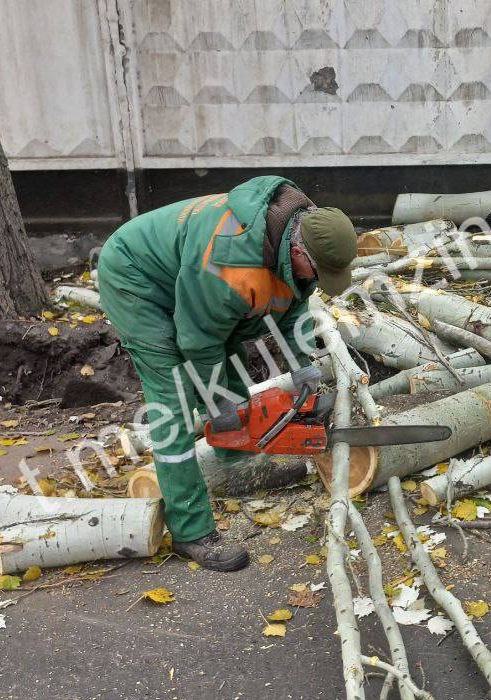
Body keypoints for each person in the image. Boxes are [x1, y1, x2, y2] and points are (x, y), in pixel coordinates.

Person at [97, 177, 357, 571]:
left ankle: (236, 466)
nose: (317, 281)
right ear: (299, 248)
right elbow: (199, 341)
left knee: (229, 345)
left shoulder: (290, 238)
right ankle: (190, 530)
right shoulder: (231, 265)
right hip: (136, 278)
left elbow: (291, 302)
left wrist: (302, 364)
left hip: (190, 279)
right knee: (176, 398)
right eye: (317, 271)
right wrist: (217, 400)